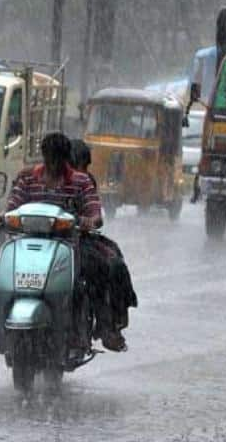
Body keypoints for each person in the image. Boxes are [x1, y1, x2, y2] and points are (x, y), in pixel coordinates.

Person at [0, 133, 127, 351]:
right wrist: (1, 217)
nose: (53, 165)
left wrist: (90, 220)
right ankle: (2, 320)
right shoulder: (28, 179)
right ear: (44, 156)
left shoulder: (81, 182)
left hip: (68, 245)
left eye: (58, 159)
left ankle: (96, 328)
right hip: (27, 244)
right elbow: (13, 206)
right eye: (50, 158)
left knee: (90, 273)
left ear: (65, 158)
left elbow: (94, 212)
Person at [70, 139, 138, 333]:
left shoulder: (85, 181)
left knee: (112, 261)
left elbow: (94, 213)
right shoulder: (45, 180)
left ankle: (110, 323)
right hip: (52, 241)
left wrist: (86, 221)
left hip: (79, 239)